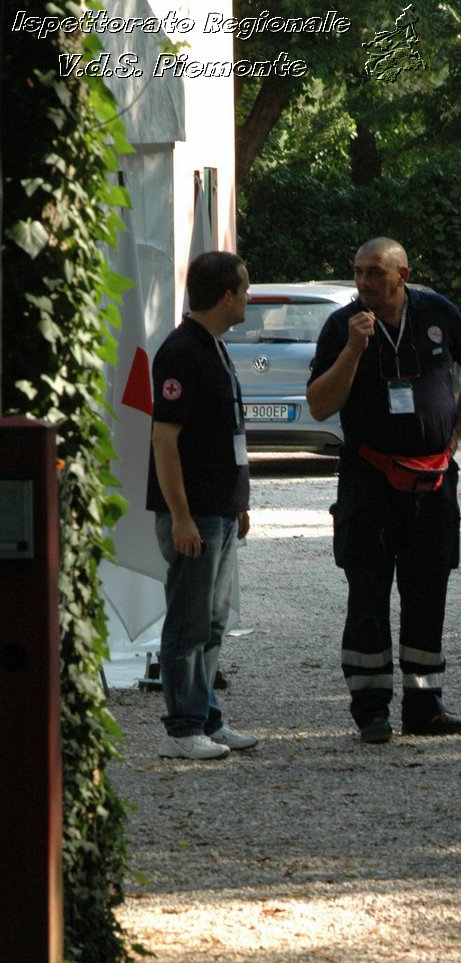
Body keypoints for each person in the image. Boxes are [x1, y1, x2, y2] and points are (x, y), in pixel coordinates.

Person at [307, 237, 461, 742]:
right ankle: (371, 709)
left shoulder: (436, 312)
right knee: (368, 593)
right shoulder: (341, 327)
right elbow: (320, 405)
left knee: (428, 589)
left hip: (433, 482)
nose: (364, 281)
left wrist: (456, 428)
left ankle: (425, 705)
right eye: (358, 271)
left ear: (402, 274)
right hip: (369, 482)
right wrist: (353, 349)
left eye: (374, 272)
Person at [146, 251, 259, 758]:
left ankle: (208, 718)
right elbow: (164, 439)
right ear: (227, 296)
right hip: (193, 515)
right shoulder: (181, 351)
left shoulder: (214, 346)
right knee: (188, 622)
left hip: (220, 509)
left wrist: (238, 502)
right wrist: (183, 517)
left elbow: (222, 434)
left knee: (213, 621)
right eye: (246, 288)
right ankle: (182, 727)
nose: (250, 297)